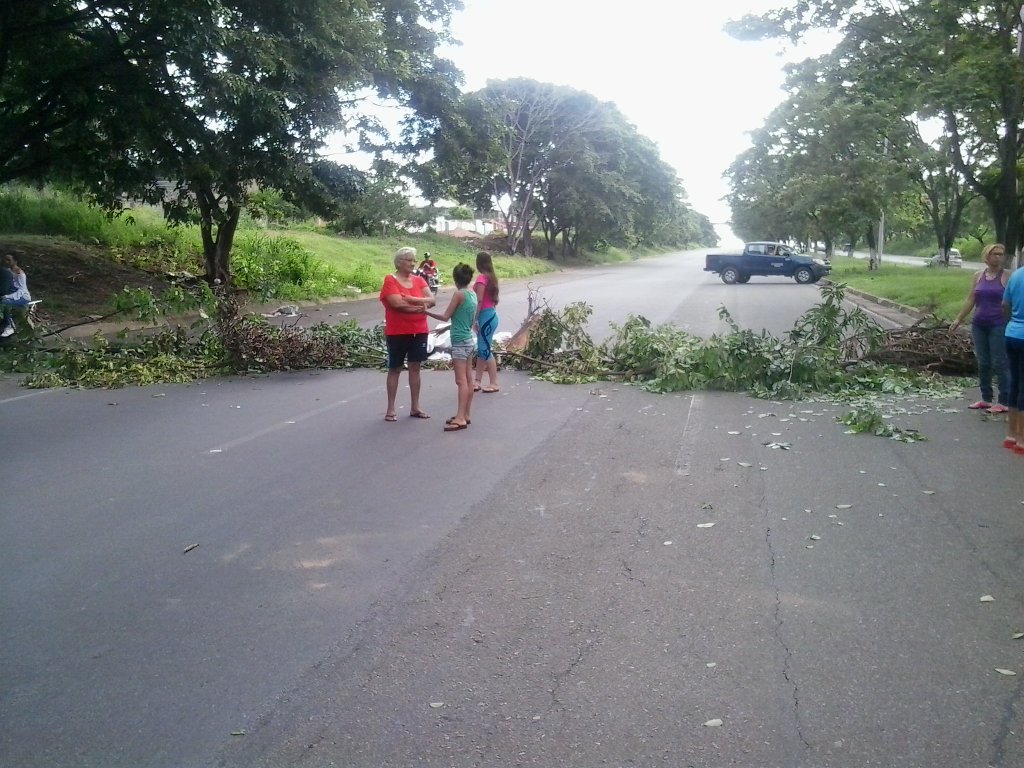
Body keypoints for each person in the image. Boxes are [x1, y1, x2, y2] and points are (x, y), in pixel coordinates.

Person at [951, 244, 1010, 415]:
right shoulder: (978, 276)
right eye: (995, 254)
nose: (998, 257)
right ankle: (986, 398)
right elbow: (971, 299)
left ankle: (1004, 401)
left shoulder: (1007, 276)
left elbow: (1012, 301)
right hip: (979, 324)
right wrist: (958, 319)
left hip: (998, 325)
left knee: (999, 362)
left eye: (1001, 254)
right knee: (983, 362)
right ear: (987, 256)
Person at [379, 247, 435, 421]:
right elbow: (396, 304)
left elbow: (432, 300)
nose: (413, 263)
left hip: (419, 331)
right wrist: (421, 307)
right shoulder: (390, 280)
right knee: (395, 368)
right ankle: (390, 409)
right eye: (409, 260)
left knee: (415, 368)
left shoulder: (419, 281)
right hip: (397, 331)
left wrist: (412, 300)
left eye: (413, 260)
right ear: (399, 262)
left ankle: (415, 407)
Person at [426, 263, 477, 431]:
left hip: (460, 340)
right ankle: (465, 414)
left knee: (461, 380)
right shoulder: (472, 294)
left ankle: (461, 417)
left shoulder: (459, 295)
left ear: (456, 279)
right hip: (469, 338)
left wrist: (425, 312)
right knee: (468, 379)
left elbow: (445, 316)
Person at [1002, 260, 1024, 454]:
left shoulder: (1015, 275)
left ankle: (1011, 434)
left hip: (1012, 334)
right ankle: (1022, 440)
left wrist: (1013, 322)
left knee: (1015, 383)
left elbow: (1005, 304)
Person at [472, 251, 500, 393]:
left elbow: (479, 300)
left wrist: (474, 319)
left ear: (478, 263)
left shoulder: (482, 278)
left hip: (485, 316)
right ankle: (477, 381)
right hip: (490, 315)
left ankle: (494, 383)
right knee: (482, 348)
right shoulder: (492, 278)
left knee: (485, 350)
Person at [1, 253, 30, 338]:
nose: (6, 262)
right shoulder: (7, 271)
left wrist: (8, 296)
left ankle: (9, 325)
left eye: (9, 260)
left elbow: (21, 290)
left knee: (4, 302)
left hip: (22, 297)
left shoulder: (20, 274)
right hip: (12, 294)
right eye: (5, 259)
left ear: (15, 261)